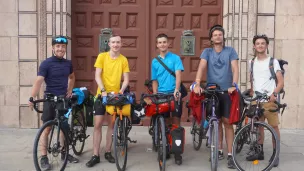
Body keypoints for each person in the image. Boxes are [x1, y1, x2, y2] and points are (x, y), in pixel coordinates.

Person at [28, 35, 78, 170]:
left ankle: (63, 153)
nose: (60, 49)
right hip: (50, 99)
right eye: (58, 46)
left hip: (62, 99)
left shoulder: (68, 63)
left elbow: (72, 77)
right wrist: (32, 97)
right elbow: (39, 81)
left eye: (63, 47)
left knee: (63, 128)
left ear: (65, 48)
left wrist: (69, 90)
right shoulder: (46, 63)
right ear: (53, 48)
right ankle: (44, 157)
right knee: (47, 129)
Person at [193, 25, 239, 169]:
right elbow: (201, 67)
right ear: (211, 38)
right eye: (215, 35)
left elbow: (235, 68)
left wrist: (234, 84)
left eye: (220, 34)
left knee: (227, 123)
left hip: (227, 91)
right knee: (216, 121)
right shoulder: (207, 52)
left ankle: (230, 154)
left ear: (223, 37)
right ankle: (218, 150)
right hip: (212, 91)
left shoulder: (230, 51)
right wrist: (197, 83)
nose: (218, 36)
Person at [86, 34, 130, 167]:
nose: (116, 44)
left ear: (121, 44)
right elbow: (97, 75)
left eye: (118, 42)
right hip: (102, 95)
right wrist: (103, 89)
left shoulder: (123, 59)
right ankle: (95, 155)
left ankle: (108, 151)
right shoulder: (102, 56)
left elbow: (126, 79)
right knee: (98, 124)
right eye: (113, 42)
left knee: (111, 125)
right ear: (109, 44)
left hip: (115, 96)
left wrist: (122, 90)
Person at [246, 34, 283, 167]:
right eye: (258, 43)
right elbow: (252, 79)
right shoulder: (252, 62)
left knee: (273, 127)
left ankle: (275, 153)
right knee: (258, 125)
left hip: (269, 99)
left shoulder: (273, 62)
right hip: (256, 99)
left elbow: (280, 82)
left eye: (263, 43)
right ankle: (259, 151)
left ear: (266, 46)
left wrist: (274, 94)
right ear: (254, 46)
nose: (260, 45)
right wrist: (251, 93)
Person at [151, 33, 184, 165]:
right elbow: (154, 80)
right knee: (164, 122)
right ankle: (165, 147)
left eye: (164, 42)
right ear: (157, 45)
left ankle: (177, 152)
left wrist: (177, 89)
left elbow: (178, 74)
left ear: (168, 43)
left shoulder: (175, 58)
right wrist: (154, 93)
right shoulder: (155, 61)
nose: (162, 44)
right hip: (161, 94)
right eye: (160, 42)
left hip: (173, 93)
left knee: (176, 122)